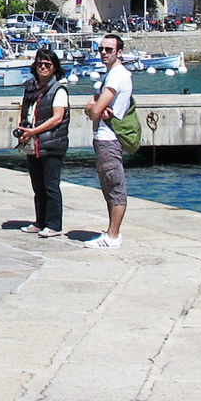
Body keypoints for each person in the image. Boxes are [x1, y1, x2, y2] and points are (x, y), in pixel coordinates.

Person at [81, 33, 134, 249]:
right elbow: (92, 107)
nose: (103, 53)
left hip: (109, 138)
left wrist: (93, 107)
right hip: (104, 137)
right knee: (108, 186)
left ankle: (113, 236)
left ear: (119, 52)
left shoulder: (116, 76)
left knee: (115, 185)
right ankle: (111, 231)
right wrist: (93, 107)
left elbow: (93, 111)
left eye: (108, 50)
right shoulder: (111, 75)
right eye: (101, 49)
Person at [16, 49, 70, 236]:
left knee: (50, 186)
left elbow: (57, 118)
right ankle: (40, 221)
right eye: (40, 64)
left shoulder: (59, 90)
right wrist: (22, 130)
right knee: (37, 186)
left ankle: (54, 224)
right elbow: (24, 109)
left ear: (54, 67)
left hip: (52, 143)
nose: (43, 67)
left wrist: (34, 131)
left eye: (47, 64)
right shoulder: (31, 86)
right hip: (34, 143)